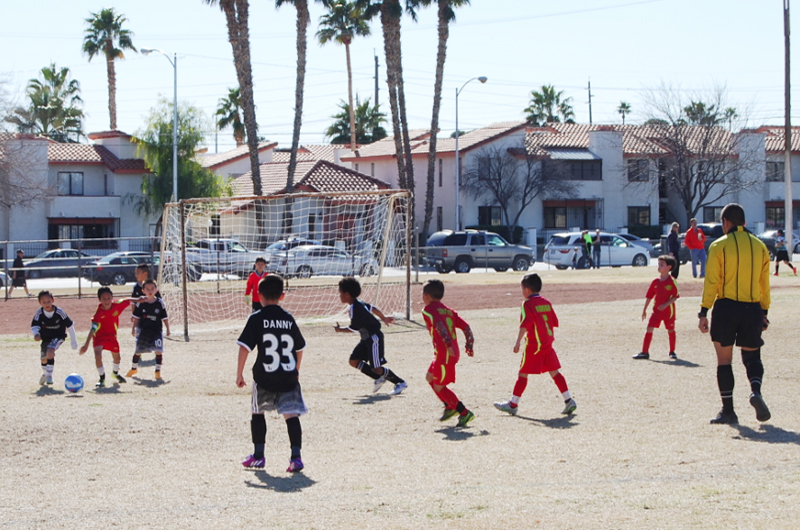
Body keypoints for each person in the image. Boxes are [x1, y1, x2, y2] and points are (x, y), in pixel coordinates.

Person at [698, 203, 771, 425]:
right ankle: (755, 391)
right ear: (744, 223)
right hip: (752, 308)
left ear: (725, 223)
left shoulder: (719, 246)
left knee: (724, 360)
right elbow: (764, 284)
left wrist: (703, 311)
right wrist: (764, 311)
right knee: (752, 356)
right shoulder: (760, 247)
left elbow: (712, 282)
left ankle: (728, 410)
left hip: (726, 308)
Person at [236, 274, 307, 472]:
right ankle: (296, 457)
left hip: (264, 376)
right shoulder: (289, 318)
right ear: (282, 296)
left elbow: (244, 347)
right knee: (291, 415)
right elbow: (300, 347)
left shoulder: (257, 318)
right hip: (288, 375)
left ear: (258, 295)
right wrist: (296, 370)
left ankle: (259, 455)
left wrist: (239, 374)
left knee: (258, 412)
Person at [494, 273, 576, 416]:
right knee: (555, 372)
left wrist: (518, 342)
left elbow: (525, 324)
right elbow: (554, 322)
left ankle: (513, 404)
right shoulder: (546, 303)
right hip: (547, 344)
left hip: (534, 346)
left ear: (526, 290)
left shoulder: (527, 304)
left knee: (523, 373)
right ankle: (569, 400)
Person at [333, 276, 407, 395]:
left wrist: (339, 330)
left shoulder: (355, 308)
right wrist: (383, 318)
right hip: (366, 338)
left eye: (340, 293)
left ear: (346, 294)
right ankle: (378, 378)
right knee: (353, 361)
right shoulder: (358, 303)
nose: (339, 295)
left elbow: (354, 328)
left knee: (376, 368)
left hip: (374, 338)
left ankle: (400, 382)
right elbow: (373, 308)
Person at [421, 279, 475, 427]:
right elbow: (466, 327)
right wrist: (469, 343)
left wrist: (448, 344)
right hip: (445, 352)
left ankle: (464, 412)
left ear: (426, 296)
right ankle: (448, 406)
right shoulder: (449, 311)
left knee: (439, 387)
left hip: (445, 353)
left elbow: (438, 325)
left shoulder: (428, 310)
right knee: (429, 377)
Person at [79, 287, 140, 387]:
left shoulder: (117, 305)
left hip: (112, 337)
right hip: (99, 337)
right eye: (104, 299)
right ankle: (102, 378)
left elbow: (128, 299)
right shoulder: (98, 314)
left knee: (117, 358)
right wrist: (86, 345)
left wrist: (140, 299)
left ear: (112, 298)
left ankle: (115, 373)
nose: (107, 301)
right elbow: (92, 329)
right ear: (99, 300)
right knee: (98, 355)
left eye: (108, 298)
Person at [633, 255, 680, 360]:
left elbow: (676, 296)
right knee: (649, 328)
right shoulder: (655, 282)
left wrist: (665, 304)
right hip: (657, 311)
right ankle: (645, 352)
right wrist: (644, 309)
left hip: (668, 312)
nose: (659, 266)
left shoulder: (672, 281)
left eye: (662, 264)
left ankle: (672, 351)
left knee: (671, 330)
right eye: (658, 264)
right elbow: (649, 296)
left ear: (669, 267)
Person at [31, 291, 78, 385]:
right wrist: (36, 334)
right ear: (40, 303)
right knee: (44, 359)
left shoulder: (59, 312)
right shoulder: (39, 313)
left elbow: (70, 326)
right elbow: (35, 325)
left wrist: (74, 341)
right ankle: (45, 374)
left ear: (53, 300)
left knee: (50, 351)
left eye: (48, 301)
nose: (46, 304)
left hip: (58, 336)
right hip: (46, 338)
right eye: (43, 302)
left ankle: (49, 376)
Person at [127, 279, 170, 380]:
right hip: (143, 331)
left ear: (156, 290)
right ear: (143, 291)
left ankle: (157, 372)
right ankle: (134, 368)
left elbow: (165, 317)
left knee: (158, 351)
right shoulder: (141, 303)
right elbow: (136, 317)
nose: (150, 290)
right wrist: (133, 328)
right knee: (138, 351)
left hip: (156, 331)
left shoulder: (160, 303)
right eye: (147, 289)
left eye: (152, 288)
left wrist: (168, 329)